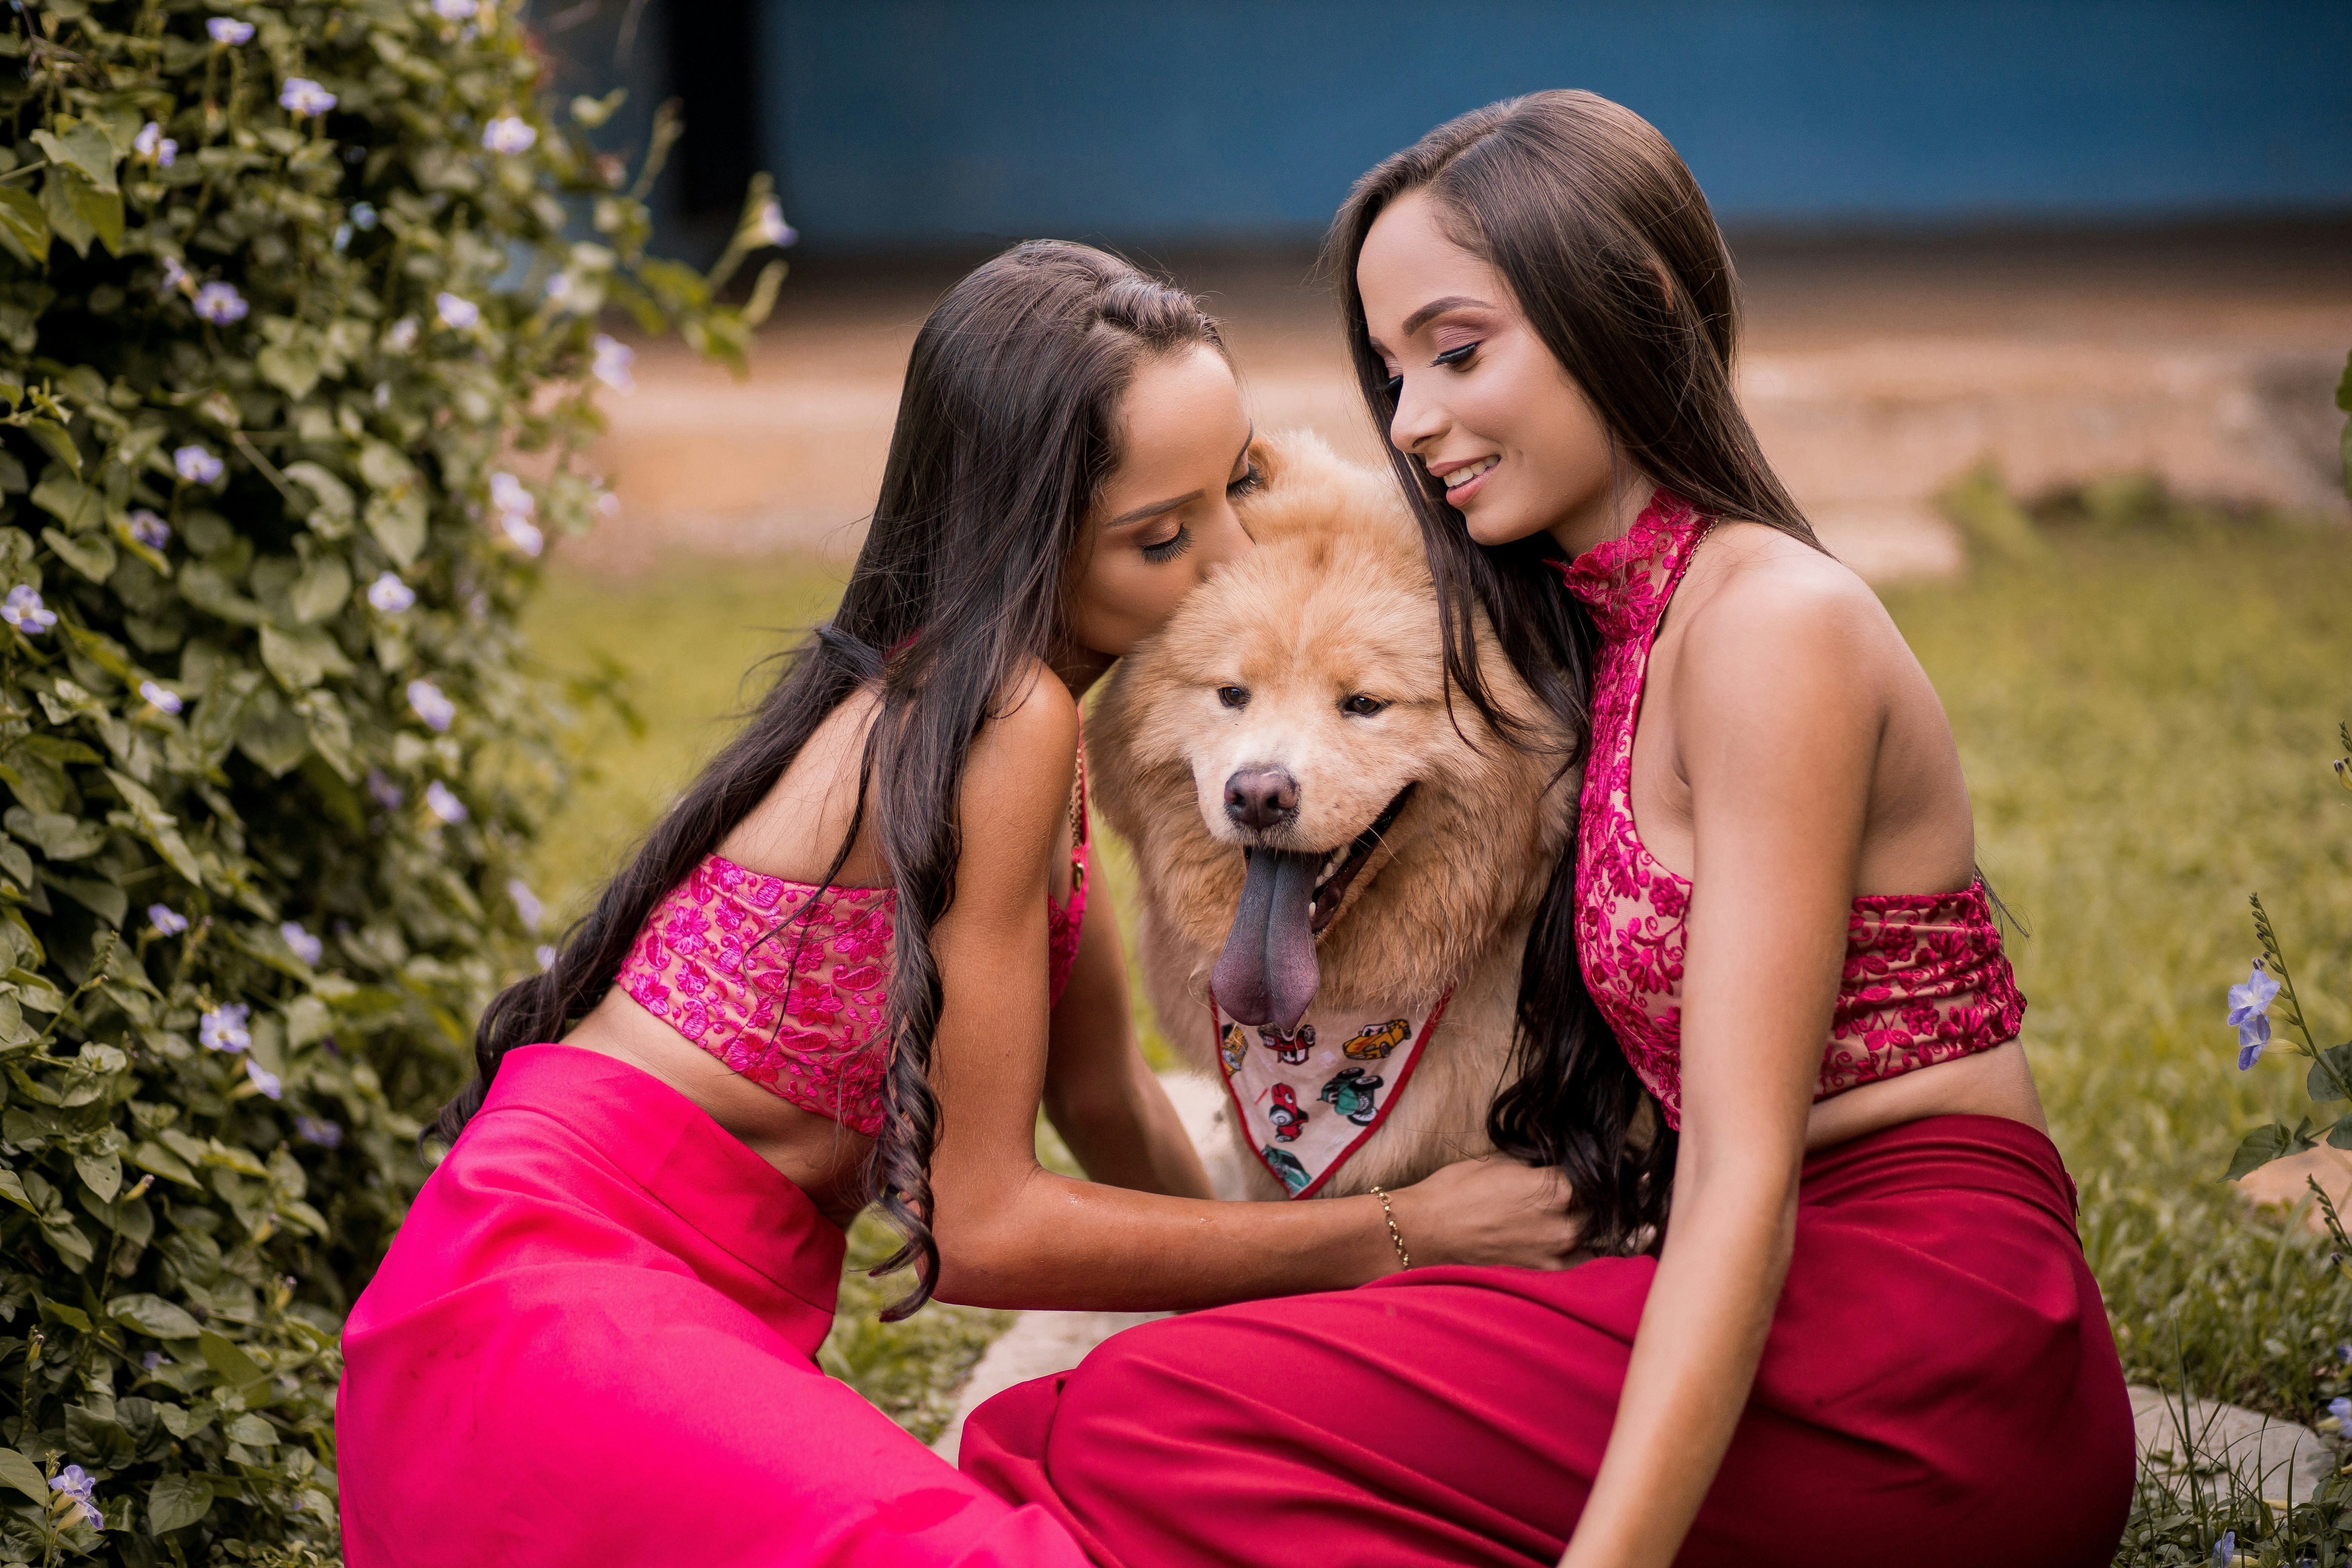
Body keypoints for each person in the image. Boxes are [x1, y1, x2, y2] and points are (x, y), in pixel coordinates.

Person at [960, 95, 2136, 1567]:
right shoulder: (1577, 619)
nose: (1413, 423)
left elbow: (1742, 1177)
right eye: (1391, 374)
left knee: (1113, 1428)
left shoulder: (1772, 625)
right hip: (1782, 1295)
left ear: (1631, 308)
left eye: (1459, 353)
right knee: (1097, 1429)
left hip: (1917, 1340)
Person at [336, 240, 1582, 1567]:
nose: (1228, 558)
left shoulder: (975, 705)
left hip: (574, 1303)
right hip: (547, 1317)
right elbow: (982, 1230)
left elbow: (1102, 1100)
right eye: (1165, 536)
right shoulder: (1005, 717)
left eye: (1236, 491)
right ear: (1034, 540)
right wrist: (1399, 1232)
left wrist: (1268, 1327)